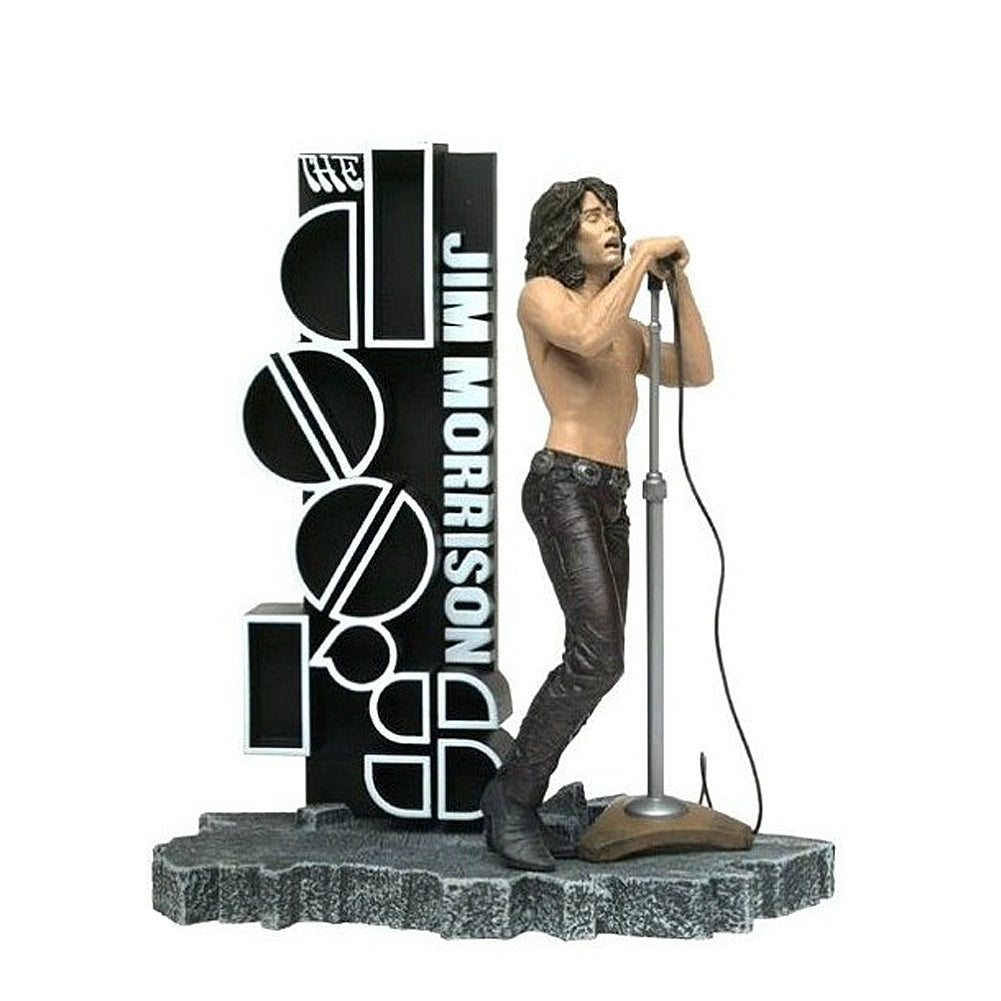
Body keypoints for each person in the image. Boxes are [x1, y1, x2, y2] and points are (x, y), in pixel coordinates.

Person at [479, 177, 715, 870]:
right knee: (597, 655)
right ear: (564, 234)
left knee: (601, 659)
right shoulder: (541, 297)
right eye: (592, 216)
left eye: (612, 214)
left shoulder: (629, 330)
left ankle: (515, 794)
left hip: (611, 493)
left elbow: (697, 370)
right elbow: (584, 337)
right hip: (563, 485)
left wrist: (677, 283)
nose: (609, 225)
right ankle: (512, 799)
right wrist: (641, 258)